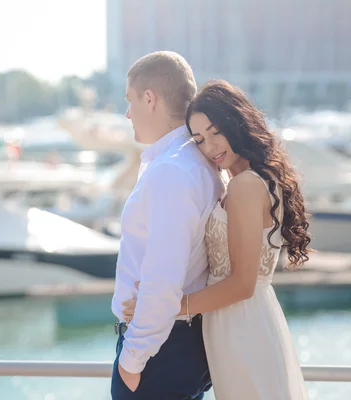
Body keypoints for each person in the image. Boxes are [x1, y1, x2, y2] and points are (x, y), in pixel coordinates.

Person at [122, 80, 312, 399]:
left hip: (243, 327)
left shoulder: (245, 186)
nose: (210, 147)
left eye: (215, 132)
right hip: (237, 323)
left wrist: (167, 306)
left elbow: (242, 284)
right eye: (199, 139)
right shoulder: (243, 180)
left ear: (237, 122)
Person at [110, 51, 222, 399]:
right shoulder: (193, 163)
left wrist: (132, 359)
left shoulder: (173, 171)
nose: (128, 113)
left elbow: (163, 277)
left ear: (149, 98)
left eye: (130, 101)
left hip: (159, 353)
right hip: (176, 344)